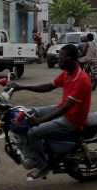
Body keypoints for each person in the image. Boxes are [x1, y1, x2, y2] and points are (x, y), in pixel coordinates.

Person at [10, 44, 92, 180]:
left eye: (61, 58)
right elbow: (49, 86)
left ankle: (43, 165)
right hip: (63, 109)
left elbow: (65, 108)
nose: (58, 60)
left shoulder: (82, 80)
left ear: (71, 59)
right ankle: (34, 152)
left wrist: (40, 121)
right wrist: (22, 87)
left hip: (72, 119)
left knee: (33, 132)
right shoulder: (67, 73)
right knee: (31, 112)